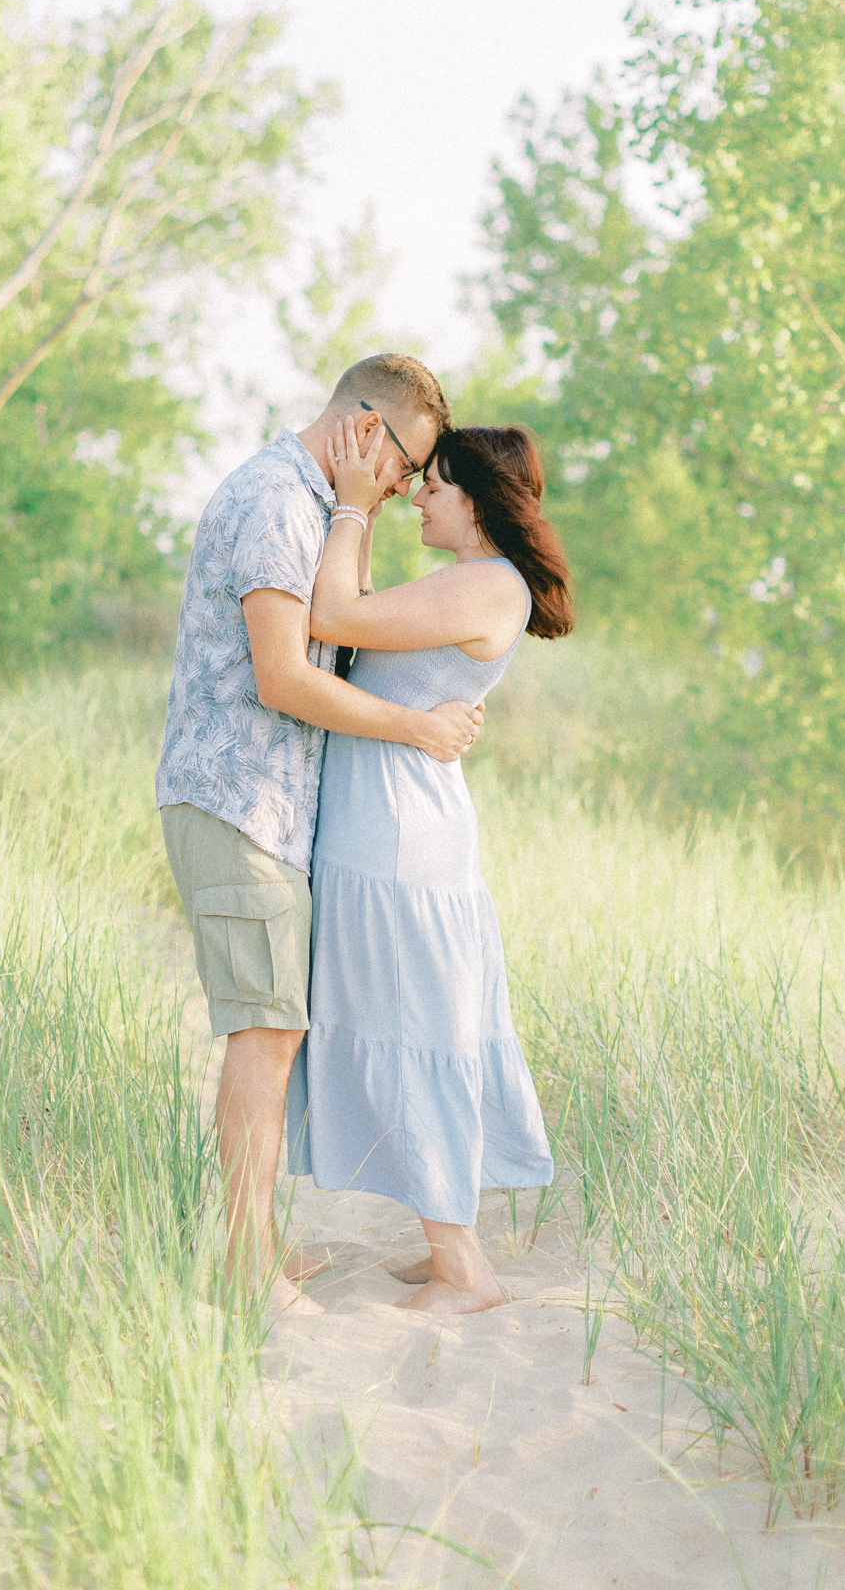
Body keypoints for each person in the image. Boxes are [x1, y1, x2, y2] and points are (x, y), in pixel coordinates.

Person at [155, 356, 487, 1311]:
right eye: (405, 462)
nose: (405, 485)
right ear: (364, 426)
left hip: (276, 808)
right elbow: (283, 678)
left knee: (279, 1030)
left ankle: (251, 1248)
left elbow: (339, 634)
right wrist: (420, 730)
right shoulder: (274, 501)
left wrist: (359, 514)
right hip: (236, 799)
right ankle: (241, 1266)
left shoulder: (322, 504)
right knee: (265, 1033)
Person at [287, 417, 574, 1315]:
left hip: (402, 842)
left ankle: (463, 1271)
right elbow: (359, 627)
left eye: (435, 487)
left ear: (480, 505)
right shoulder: (468, 583)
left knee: (416, 1034)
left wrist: (349, 501)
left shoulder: (489, 586)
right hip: (386, 829)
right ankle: (448, 1246)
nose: (418, 496)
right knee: (408, 1027)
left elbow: (332, 615)